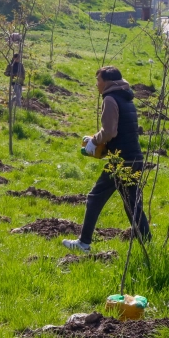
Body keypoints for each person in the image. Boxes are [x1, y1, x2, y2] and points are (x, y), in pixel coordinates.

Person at [62, 66, 151, 253]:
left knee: (94, 198)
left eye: (98, 81)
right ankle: (148, 244)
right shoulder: (127, 98)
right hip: (135, 157)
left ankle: (84, 243)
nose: (97, 85)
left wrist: (93, 142)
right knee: (133, 205)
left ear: (107, 82)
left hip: (120, 161)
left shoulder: (110, 98)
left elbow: (110, 131)